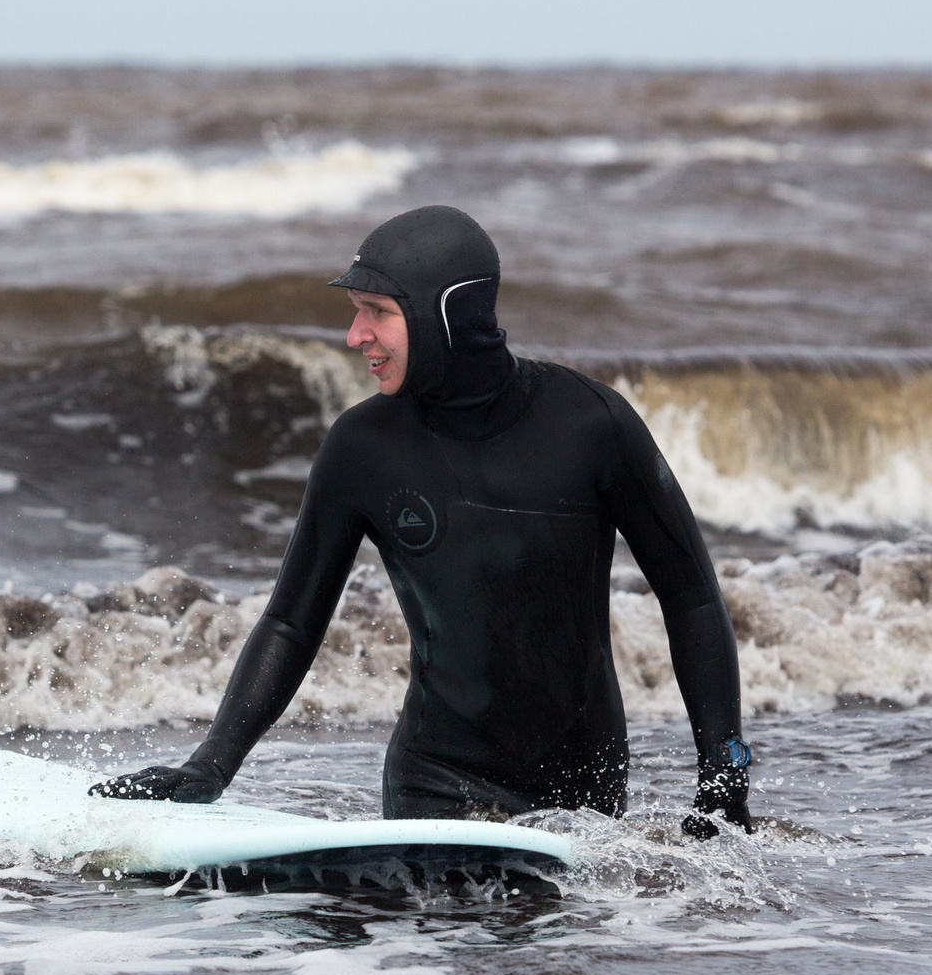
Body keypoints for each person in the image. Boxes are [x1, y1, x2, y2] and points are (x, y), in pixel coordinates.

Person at [95, 204, 753, 838]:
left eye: (377, 312)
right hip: (431, 787)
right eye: (357, 314)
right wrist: (210, 765)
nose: (356, 337)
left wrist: (724, 775)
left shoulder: (593, 426)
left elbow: (690, 597)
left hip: (580, 799)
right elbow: (292, 622)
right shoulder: (362, 448)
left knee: (555, 955)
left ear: (450, 313)